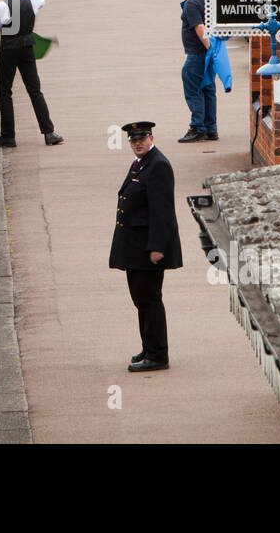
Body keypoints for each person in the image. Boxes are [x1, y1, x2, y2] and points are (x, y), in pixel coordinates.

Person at [108, 121, 183, 373]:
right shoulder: (142, 163)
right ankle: (149, 347)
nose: (137, 143)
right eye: (133, 140)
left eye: (142, 138)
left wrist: (157, 248)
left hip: (147, 249)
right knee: (141, 299)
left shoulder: (158, 165)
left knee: (149, 299)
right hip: (136, 247)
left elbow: (162, 212)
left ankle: (158, 354)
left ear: (152, 137)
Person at [0, 0, 63, 148]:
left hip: (9, 50)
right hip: (27, 48)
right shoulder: (32, 0)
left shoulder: (2, 6)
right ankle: (49, 133)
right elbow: (42, 1)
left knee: (5, 91)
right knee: (35, 90)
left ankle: (8, 136)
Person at [178, 0, 217, 142]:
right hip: (209, 55)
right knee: (208, 90)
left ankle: (197, 127)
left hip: (197, 54)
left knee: (194, 90)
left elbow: (199, 27)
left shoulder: (191, 3)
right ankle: (211, 128)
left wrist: (209, 49)